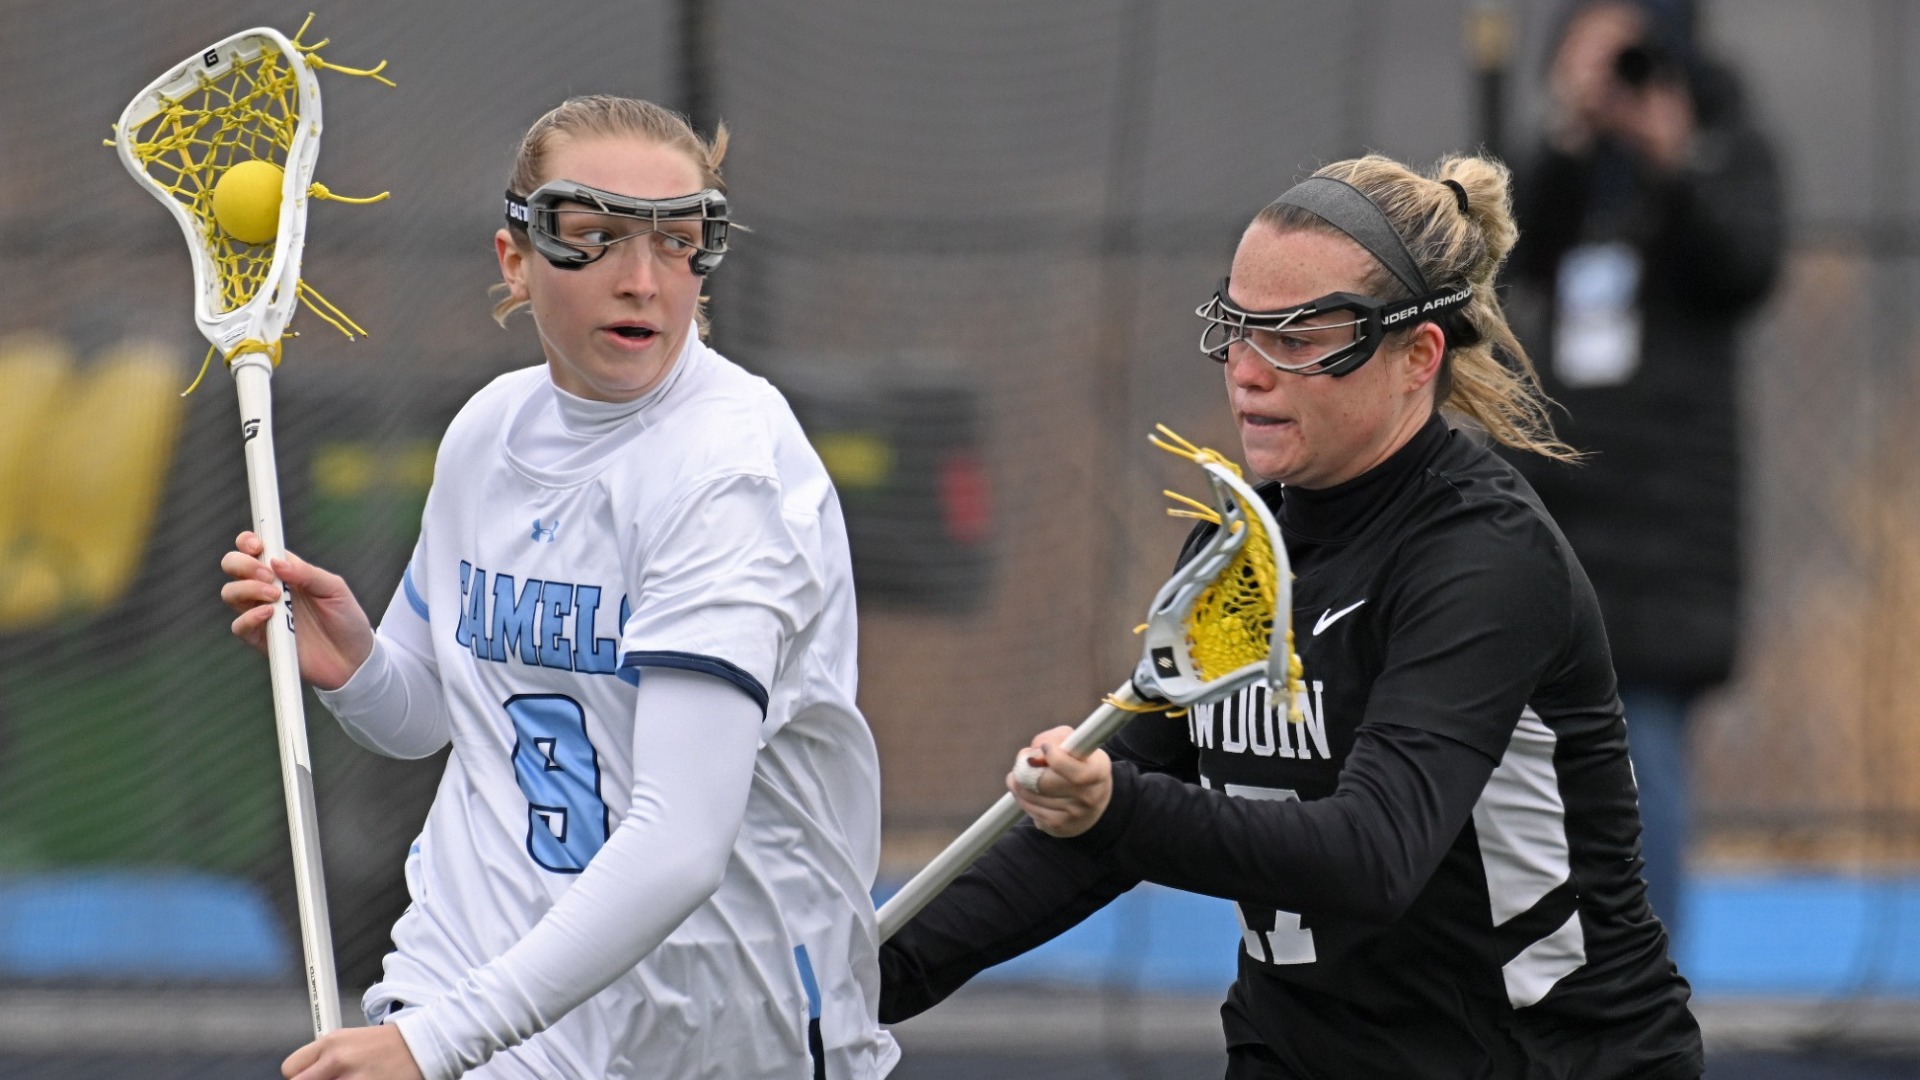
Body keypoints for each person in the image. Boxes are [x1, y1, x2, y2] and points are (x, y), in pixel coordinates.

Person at [879, 155, 1704, 1079]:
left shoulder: (1481, 557)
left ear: (1416, 355)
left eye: (1301, 337)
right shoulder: (1240, 549)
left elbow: (1373, 855)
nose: (1249, 374)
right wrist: (853, 989)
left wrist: (1116, 807)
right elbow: (1092, 836)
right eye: (1238, 329)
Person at [221, 95, 899, 1080]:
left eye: (678, 244)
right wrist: (359, 668)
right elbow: (433, 721)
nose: (640, 281)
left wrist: (431, 1044)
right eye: (595, 237)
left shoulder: (727, 476)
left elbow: (679, 841)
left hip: (704, 1032)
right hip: (473, 976)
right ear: (515, 257)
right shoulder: (489, 432)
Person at [1507, 0, 1784, 944]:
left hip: (1670, 522)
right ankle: (1542, 979)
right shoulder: (1574, 173)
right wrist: (1569, 126)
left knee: (1644, 745)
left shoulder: (1725, 142)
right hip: (1561, 501)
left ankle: (1648, 991)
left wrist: (1674, 158)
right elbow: (1506, 260)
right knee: (1534, 757)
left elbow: (1747, 264)